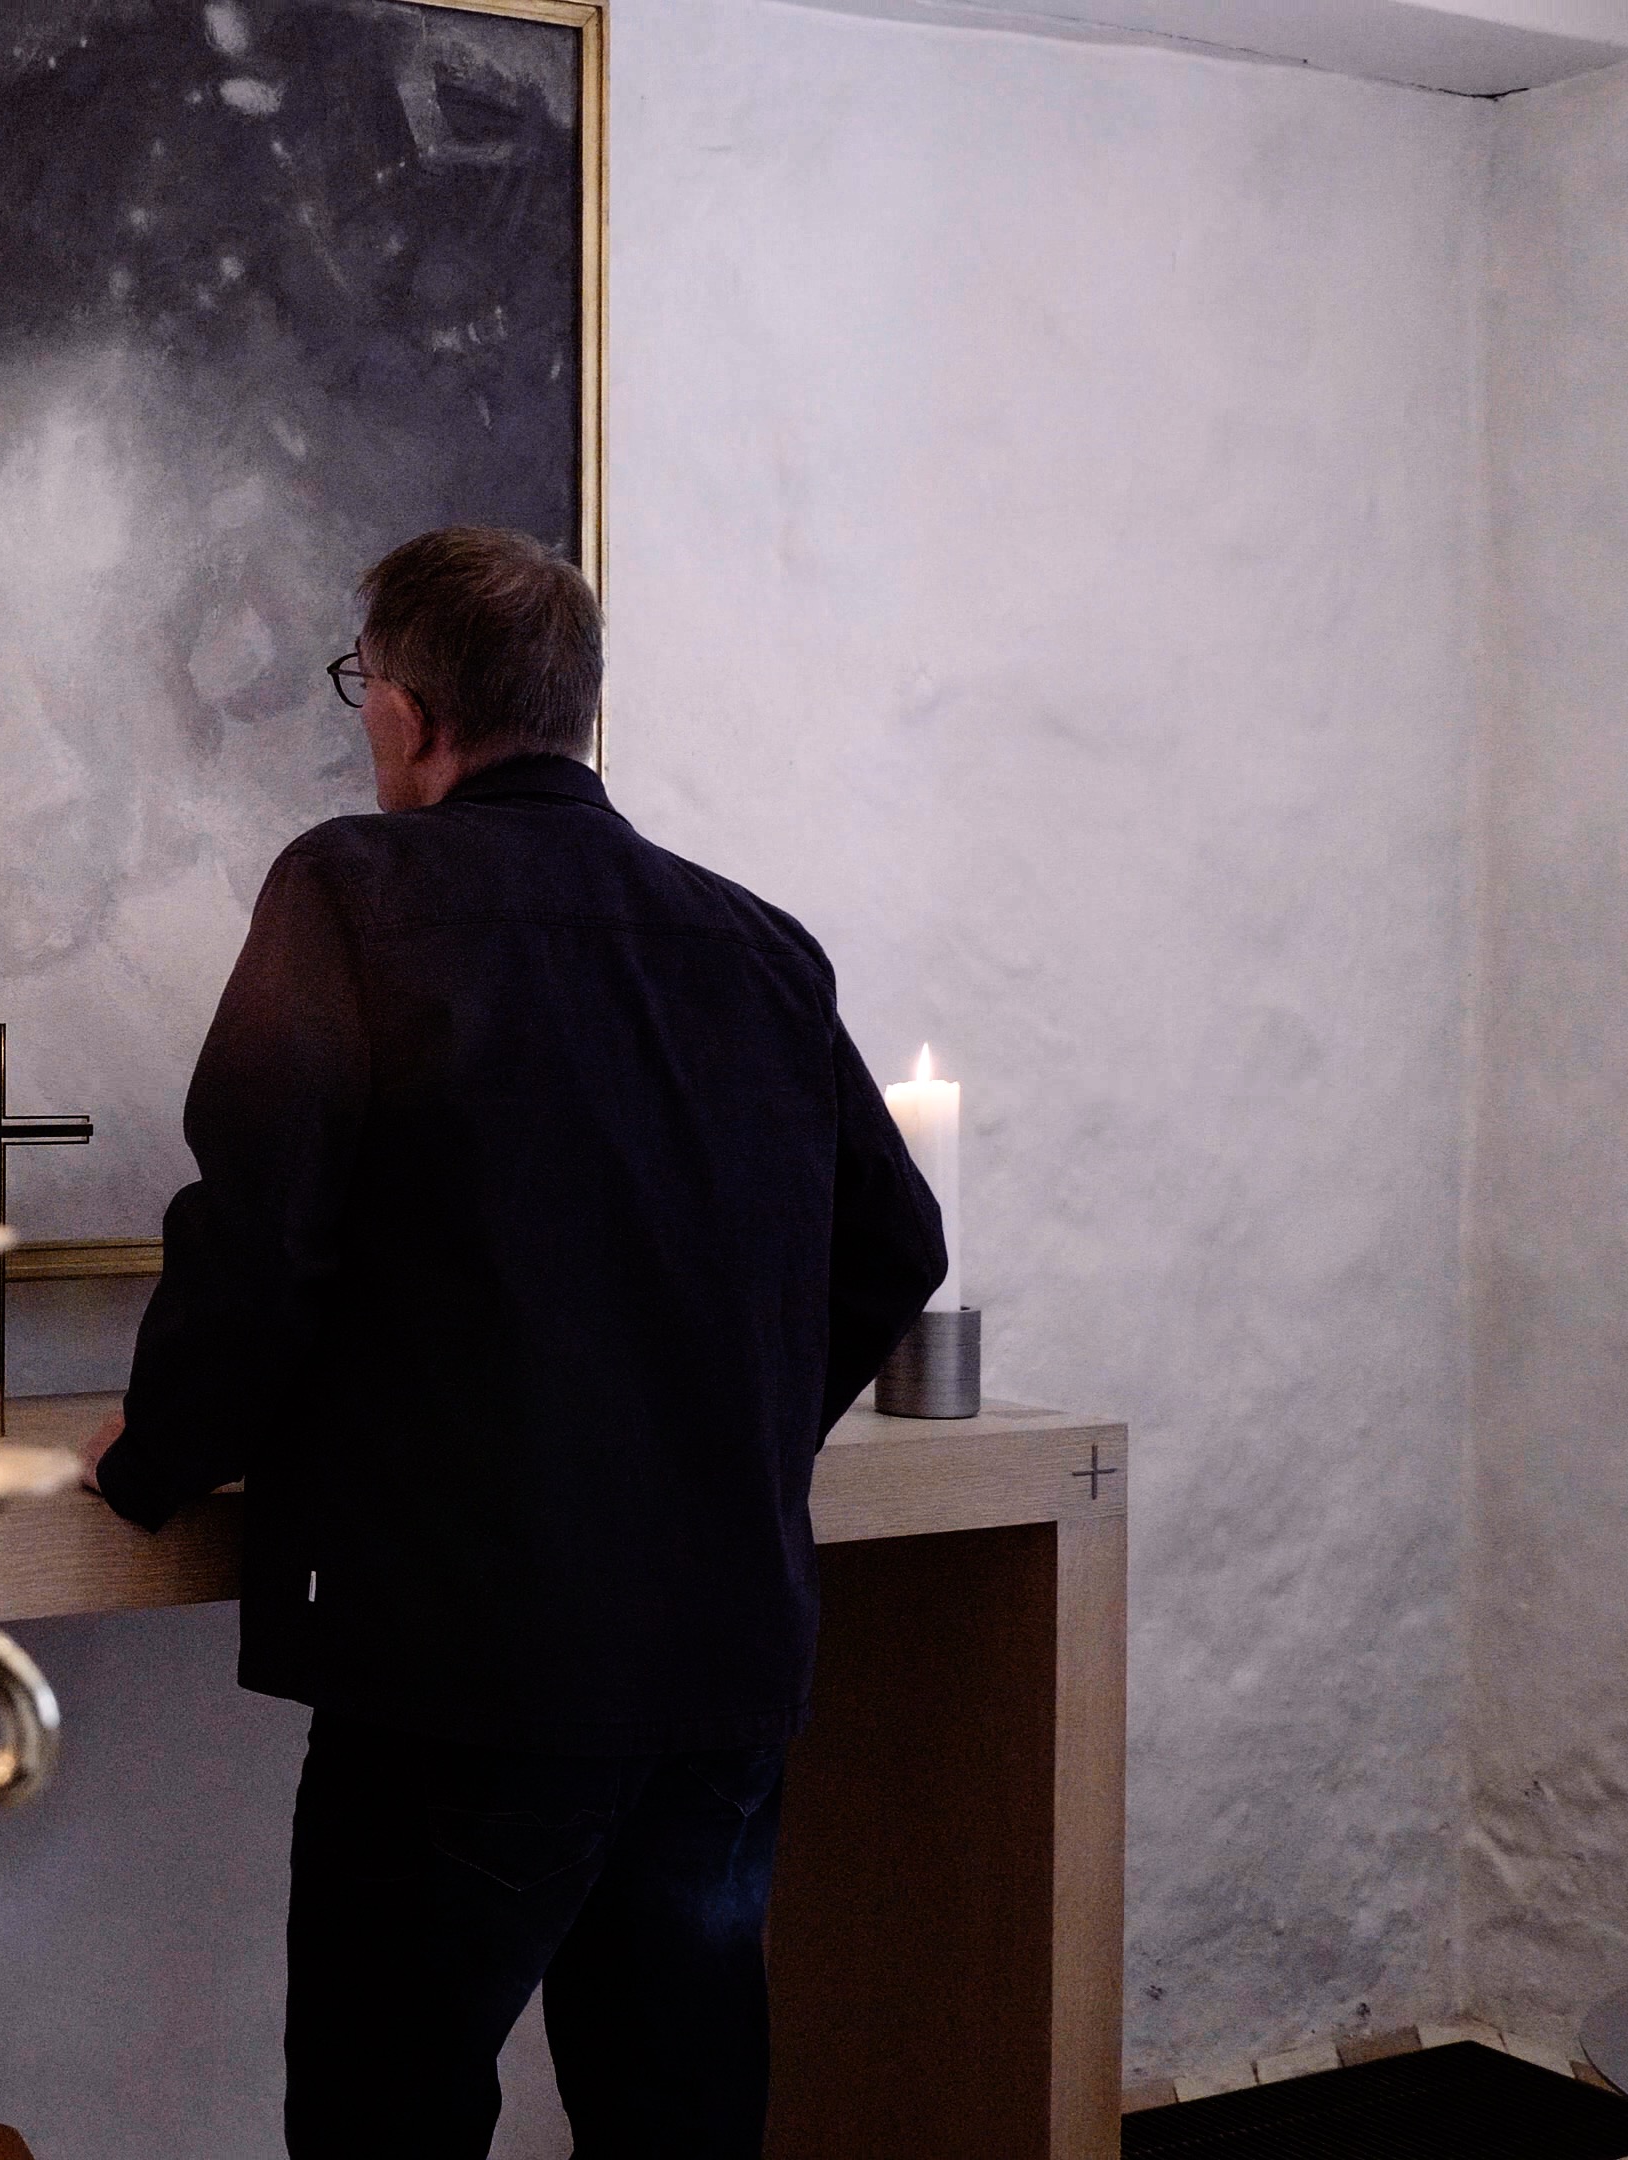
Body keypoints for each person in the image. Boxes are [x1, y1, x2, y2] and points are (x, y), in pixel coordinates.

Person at [85, 526, 948, 2158]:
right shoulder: (760, 945)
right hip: (721, 1653)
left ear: (408, 711)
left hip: (468, 1654)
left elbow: (263, 1240)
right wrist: (737, 1431)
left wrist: (153, 1459)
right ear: (574, 707)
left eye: (365, 688)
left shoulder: (352, 889)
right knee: (679, 2115)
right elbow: (898, 1245)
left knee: (389, 2117)